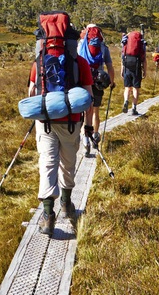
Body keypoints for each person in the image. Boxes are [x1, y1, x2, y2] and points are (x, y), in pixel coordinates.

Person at [28, 12, 94, 236]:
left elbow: (31, 92)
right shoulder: (80, 63)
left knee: (47, 163)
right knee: (68, 163)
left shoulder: (39, 62)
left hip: (44, 120)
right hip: (72, 121)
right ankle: (66, 205)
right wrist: (88, 126)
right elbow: (88, 98)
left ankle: (48, 215)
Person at [77, 24, 114, 157]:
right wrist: (111, 82)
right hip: (98, 81)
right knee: (95, 111)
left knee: (85, 111)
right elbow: (110, 67)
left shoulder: (81, 44)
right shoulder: (103, 47)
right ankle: (94, 138)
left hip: (83, 81)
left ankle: (85, 141)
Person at [120, 28, 146, 115]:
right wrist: (144, 71)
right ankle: (134, 108)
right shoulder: (141, 43)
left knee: (127, 88)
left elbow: (123, 56)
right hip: (137, 68)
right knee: (136, 89)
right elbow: (144, 59)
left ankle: (126, 100)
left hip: (127, 66)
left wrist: (122, 70)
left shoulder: (126, 42)